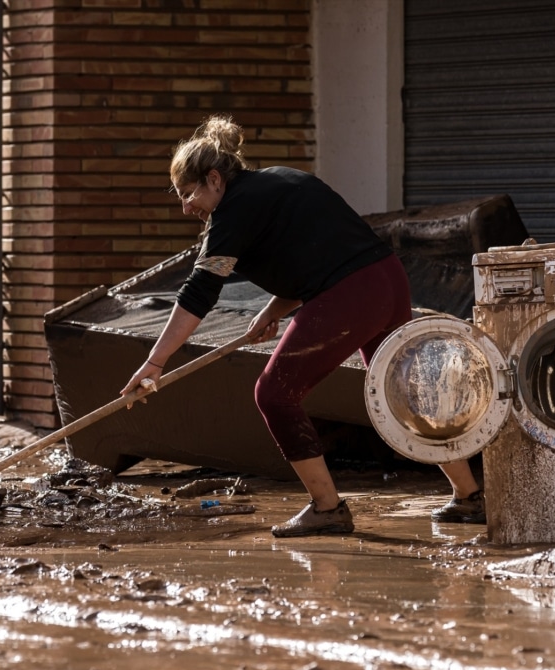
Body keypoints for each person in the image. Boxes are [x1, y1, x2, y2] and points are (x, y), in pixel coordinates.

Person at [120, 114, 485, 537]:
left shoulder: (231, 213)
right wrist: (275, 310)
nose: (186, 208)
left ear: (215, 179)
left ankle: (327, 508)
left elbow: (199, 292)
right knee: (402, 391)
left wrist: (154, 362)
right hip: (386, 280)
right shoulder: (283, 180)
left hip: (352, 294)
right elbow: (318, 255)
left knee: (274, 395)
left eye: (188, 194)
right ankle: (468, 496)